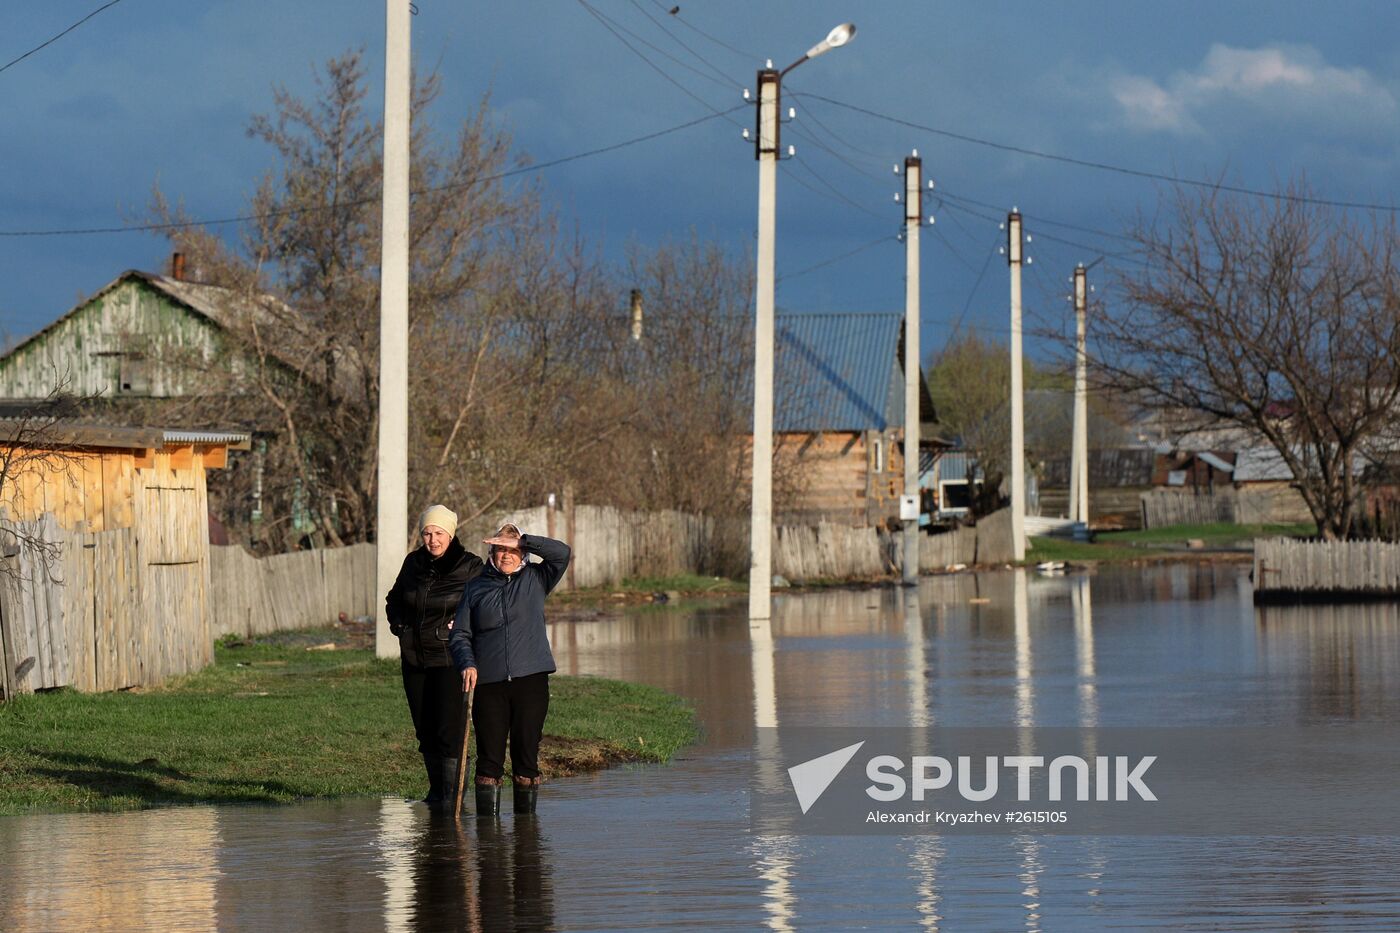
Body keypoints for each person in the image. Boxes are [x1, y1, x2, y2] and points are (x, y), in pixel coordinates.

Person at [450, 522, 571, 815]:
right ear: (491, 552)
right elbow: (460, 634)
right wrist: (467, 663)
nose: (506, 555)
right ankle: (489, 844)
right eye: (500, 549)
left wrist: (525, 540)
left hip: (530, 679)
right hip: (488, 682)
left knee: (526, 754)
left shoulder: (537, 579)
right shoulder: (476, 587)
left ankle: (526, 839)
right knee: (489, 759)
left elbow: (562, 553)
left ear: (523, 552)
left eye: (512, 550)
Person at [385, 504, 484, 809]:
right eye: (427, 533)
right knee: (424, 728)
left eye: (438, 533)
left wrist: (466, 622)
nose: (432, 539)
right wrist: (400, 626)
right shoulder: (413, 563)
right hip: (415, 657)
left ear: (450, 535)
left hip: (450, 658)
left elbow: (486, 603)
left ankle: (453, 797)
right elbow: (394, 599)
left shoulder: (470, 566)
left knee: (448, 730)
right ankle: (436, 792)